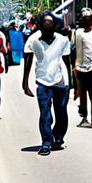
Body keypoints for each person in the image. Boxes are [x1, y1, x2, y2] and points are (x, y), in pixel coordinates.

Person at [22, 11, 71, 156]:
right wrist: (25, 83)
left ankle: (59, 137)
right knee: (45, 113)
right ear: (40, 28)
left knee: (61, 113)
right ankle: (46, 143)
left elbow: (67, 62)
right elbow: (28, 61)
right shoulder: (33, 41)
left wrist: (73, 82)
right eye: (45, 26)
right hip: (42, 82)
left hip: (60, 81)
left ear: (55, 27)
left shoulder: (63, 40)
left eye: (51, 25)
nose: (48, 29)